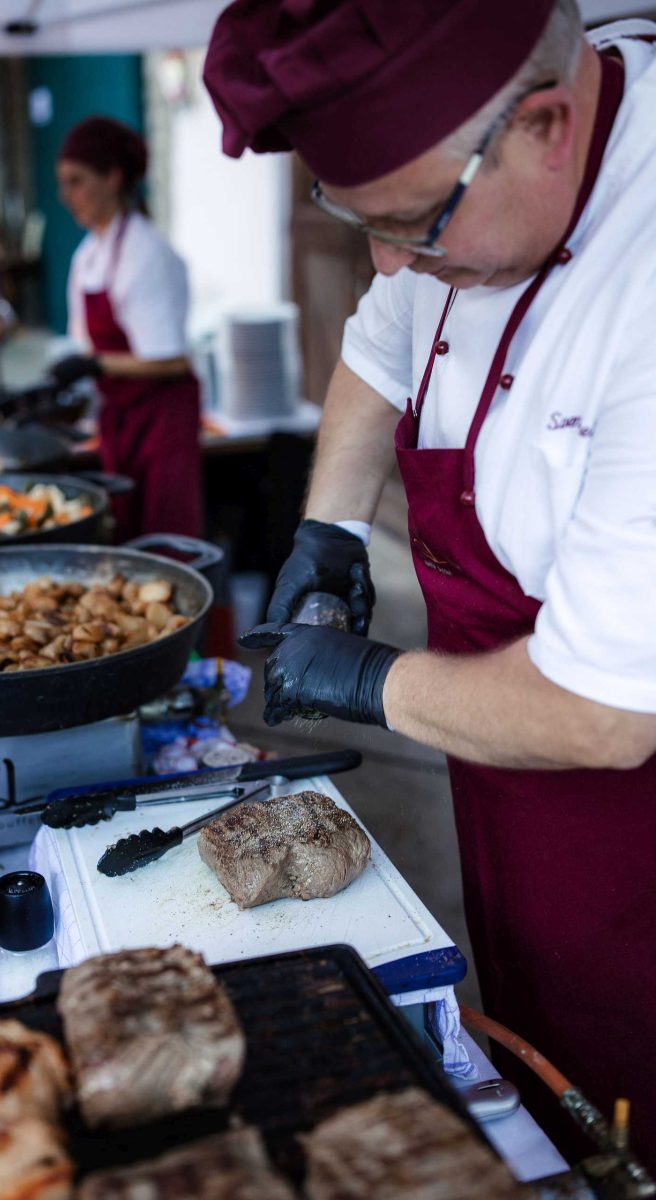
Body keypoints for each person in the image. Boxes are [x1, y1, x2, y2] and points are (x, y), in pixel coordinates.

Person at [204, 0, 656, 1169]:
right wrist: (328, 531)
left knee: (625, 1101)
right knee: (528, 1038)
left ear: (547, 125)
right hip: (500, 763)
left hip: (627, 814)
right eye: (357, 223)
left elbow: (606, 718)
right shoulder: (460, 198)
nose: (393, 261)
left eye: (413, 222)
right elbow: (381, 342)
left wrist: (366, 684)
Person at [53, 115, 202, 541]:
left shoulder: (146, 252)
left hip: (161, 420)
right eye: (63, 183)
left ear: (113, 178)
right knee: (124, 528)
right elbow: (84, 345)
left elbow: (171, 360)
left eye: (77, 181)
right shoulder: (88, 255)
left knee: (164, 533)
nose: (67, 196)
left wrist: (94, 365)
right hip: (119, 417)